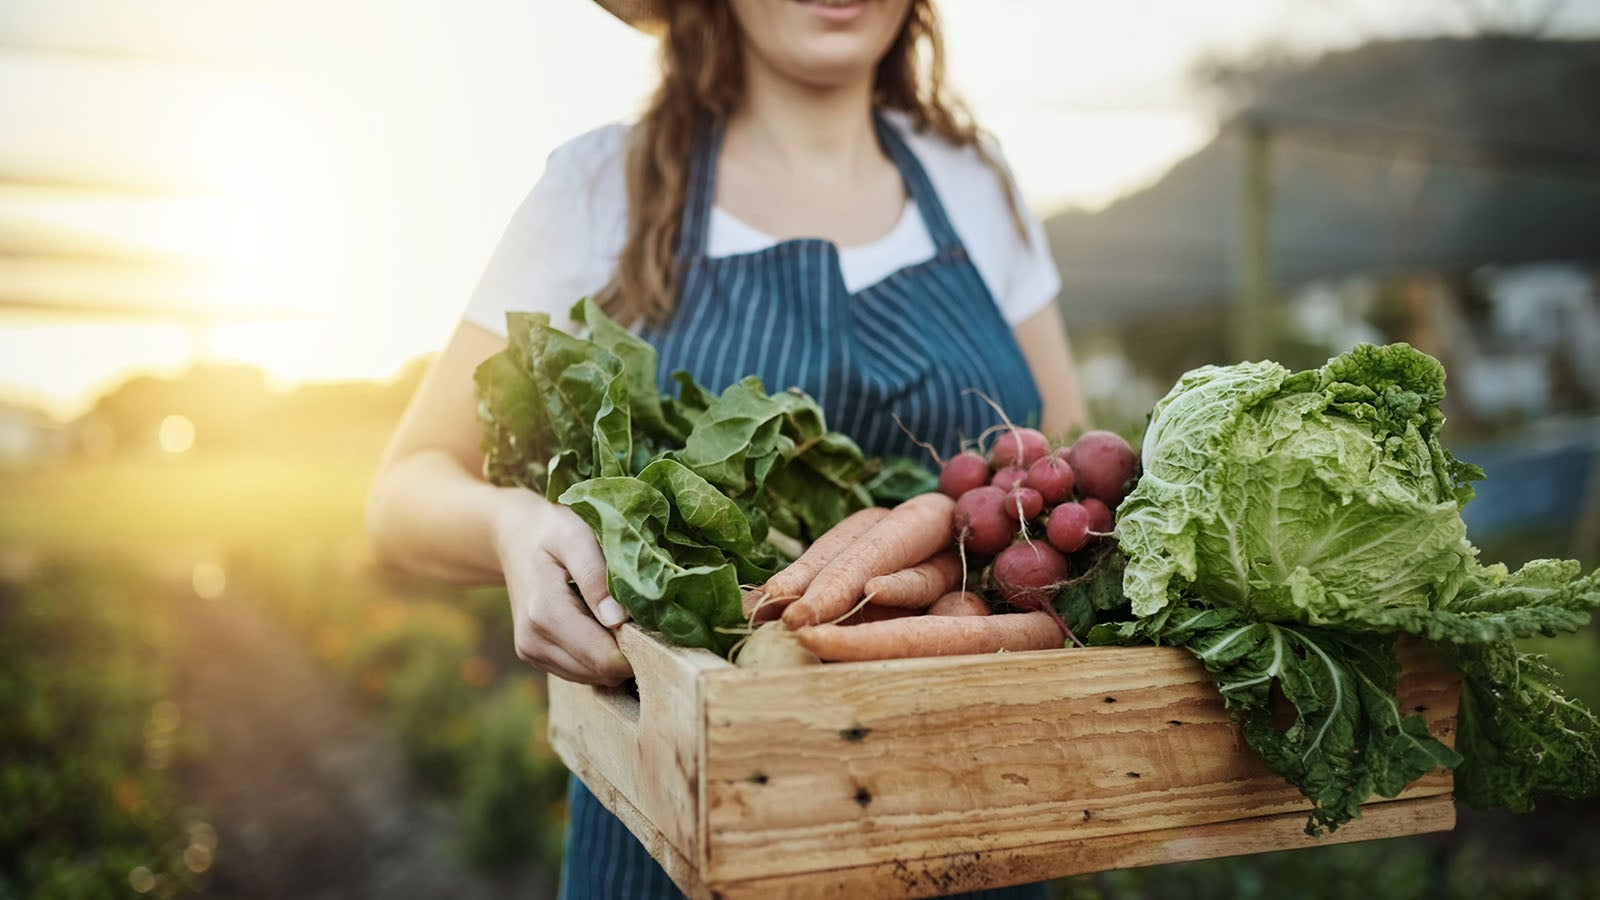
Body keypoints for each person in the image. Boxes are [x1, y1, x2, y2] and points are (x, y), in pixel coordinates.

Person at [367, 1, 1088, 897]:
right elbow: (401, 494)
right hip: (679, 827)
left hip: (979, 817)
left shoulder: (973, 177)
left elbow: (1061, 479)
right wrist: (513, 525)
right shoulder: (600, 186)